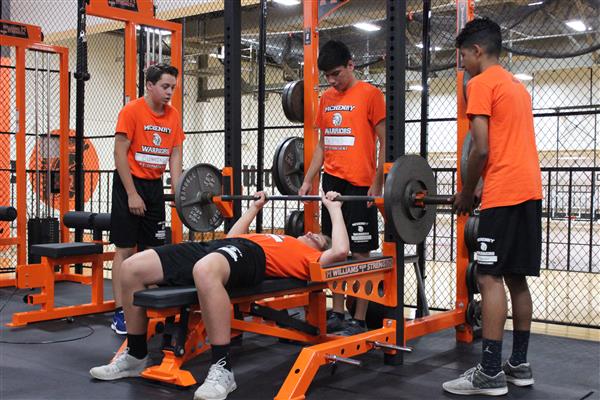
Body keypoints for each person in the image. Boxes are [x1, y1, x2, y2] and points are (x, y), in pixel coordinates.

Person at [90, 191, 349, 400]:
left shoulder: (310, 257)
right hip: (222, 246)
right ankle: (136, 356)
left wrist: (334, 209)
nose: (312, 233)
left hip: (252, 257)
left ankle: (223, 369)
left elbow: (340, 250)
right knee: (131, 267)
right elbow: (233, 236)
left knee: (205, 271)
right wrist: (254, 208)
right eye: (313, 232)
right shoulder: (278, 236)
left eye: (318, 238)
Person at [444, 17, 543, 396]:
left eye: (463, 56)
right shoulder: (517, 87)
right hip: (529, 189)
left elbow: (481, 148)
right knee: (515, 277)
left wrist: (467, 191)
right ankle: (519, 364)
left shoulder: (480, 83)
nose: (462, 63)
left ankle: (488, 371)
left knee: (488, 277)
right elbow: (506, 144)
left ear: (478, 51)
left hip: (503, 192)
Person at [299, 40, 386, 336]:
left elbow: (385, 141)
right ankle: (337, 313)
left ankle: (359, 318)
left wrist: (378, 183)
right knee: (336, 250)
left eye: (337, 73)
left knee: (361, 253)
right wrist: (309, 178)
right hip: (332, 183)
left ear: (351, 64)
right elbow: (323, 145)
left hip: (360, 185)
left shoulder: (371, 95)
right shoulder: (326, 99)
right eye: (327, 76)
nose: (332, 80)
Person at [109, 63, 184, 335]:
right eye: (165, 87)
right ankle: (120, 311)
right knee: (126, 250)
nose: (169, 93)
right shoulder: (131, 111)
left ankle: (150, 306)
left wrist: (178, 191)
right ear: (149, 86)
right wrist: (131, 194)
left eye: (173, 88)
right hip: (129, 183)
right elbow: (119, 154)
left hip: (154, 187)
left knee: (154, 252)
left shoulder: (173, 115)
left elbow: (175, 154)